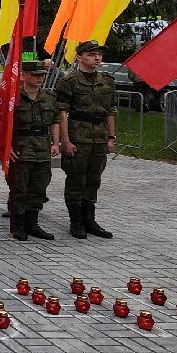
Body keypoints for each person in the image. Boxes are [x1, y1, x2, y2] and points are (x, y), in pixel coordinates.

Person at [55, 40, 117, 239]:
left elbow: (110, 111)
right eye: (91, 54)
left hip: (98, 136)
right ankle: (76, 222)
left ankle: (90, 220)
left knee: (94, 180)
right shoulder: (69, 81)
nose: (97, 58)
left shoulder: (106, 81)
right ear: (79, 57)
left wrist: (111, 137)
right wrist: (65, 140)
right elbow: (62, 113)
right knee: (76, 179)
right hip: (78, 136)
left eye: (99, 54)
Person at [8, 61, 60, 241]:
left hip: (42, 147)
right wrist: (7, 147)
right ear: (24, 75)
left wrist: (55, 143)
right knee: (19, 188)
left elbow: (55, 121)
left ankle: (32, 223)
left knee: (39, 187)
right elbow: (3, 125)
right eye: (36, 75)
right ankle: (19, 225)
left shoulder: (48, 97)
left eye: (42, 75)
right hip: (22, 148)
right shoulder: (14, 98)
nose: (40, 78)